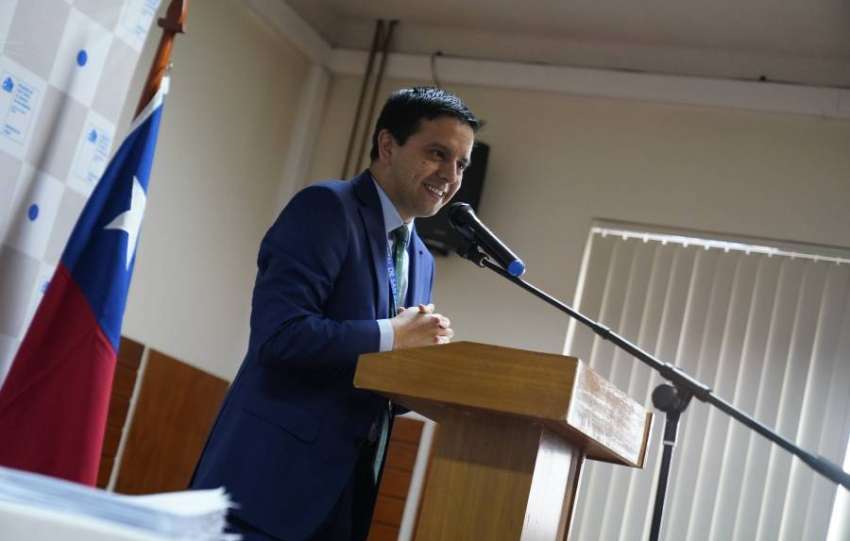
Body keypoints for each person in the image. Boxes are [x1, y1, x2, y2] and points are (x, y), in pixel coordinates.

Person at [190, 87, 480, 541]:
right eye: (437, 154)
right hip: (266, 484)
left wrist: (427, 369)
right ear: (388, 145)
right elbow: (280, 336)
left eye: (462, 164)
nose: (450, 175)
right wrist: (393, 336)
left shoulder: (422, 258)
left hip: (347, 495)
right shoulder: (327, 208)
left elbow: (377, 380)